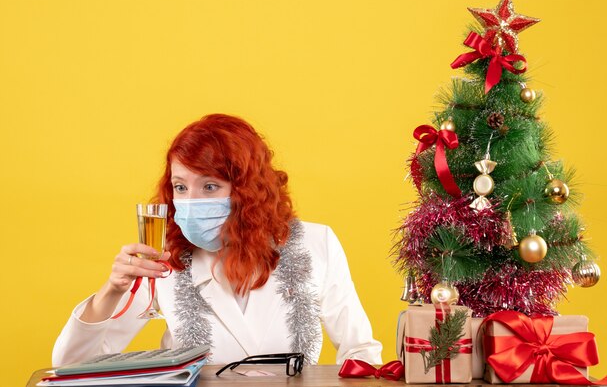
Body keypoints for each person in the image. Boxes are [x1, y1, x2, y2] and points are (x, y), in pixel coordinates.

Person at [52, 114, 382, 367]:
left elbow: (360, 351)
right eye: (181, 187)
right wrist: (112, 291)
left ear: (247, 191)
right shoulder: (165, 261)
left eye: (209, 187)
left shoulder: (316, 243)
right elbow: (72, 365)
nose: (190, 201)